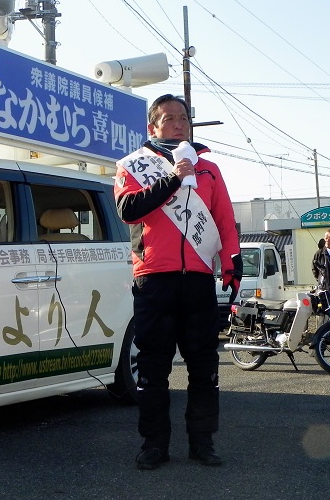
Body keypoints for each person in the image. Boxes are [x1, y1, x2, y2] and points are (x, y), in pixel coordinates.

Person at [114, 94, 241, 470]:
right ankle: (154, 445)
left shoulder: (209, 169)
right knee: (153, 369)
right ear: (152, 127)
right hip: (154, 279)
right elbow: (128, 209)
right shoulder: (135, 166)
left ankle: (202, 442)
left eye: (183, 117)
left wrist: (232, 267)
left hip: (199, 281)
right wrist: (172, 178)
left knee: (204, 367)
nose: (178, 124)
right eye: (169, 118)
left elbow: (224, 222)